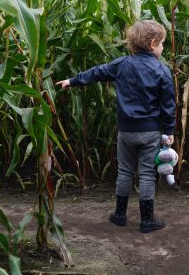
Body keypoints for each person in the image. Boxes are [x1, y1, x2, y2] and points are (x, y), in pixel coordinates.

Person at [56, 20, 175, 233]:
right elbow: (168, 105)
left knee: (124, 171)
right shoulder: (162, 70)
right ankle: (146, 221)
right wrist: (168, 131)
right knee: (147, 174)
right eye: (162, 44)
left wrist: (72, 81)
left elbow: (97, 72)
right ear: (153, 44)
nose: (163, 48)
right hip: (149, 132)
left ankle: (119, 215)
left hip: (126, 131)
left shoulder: (122, 64)